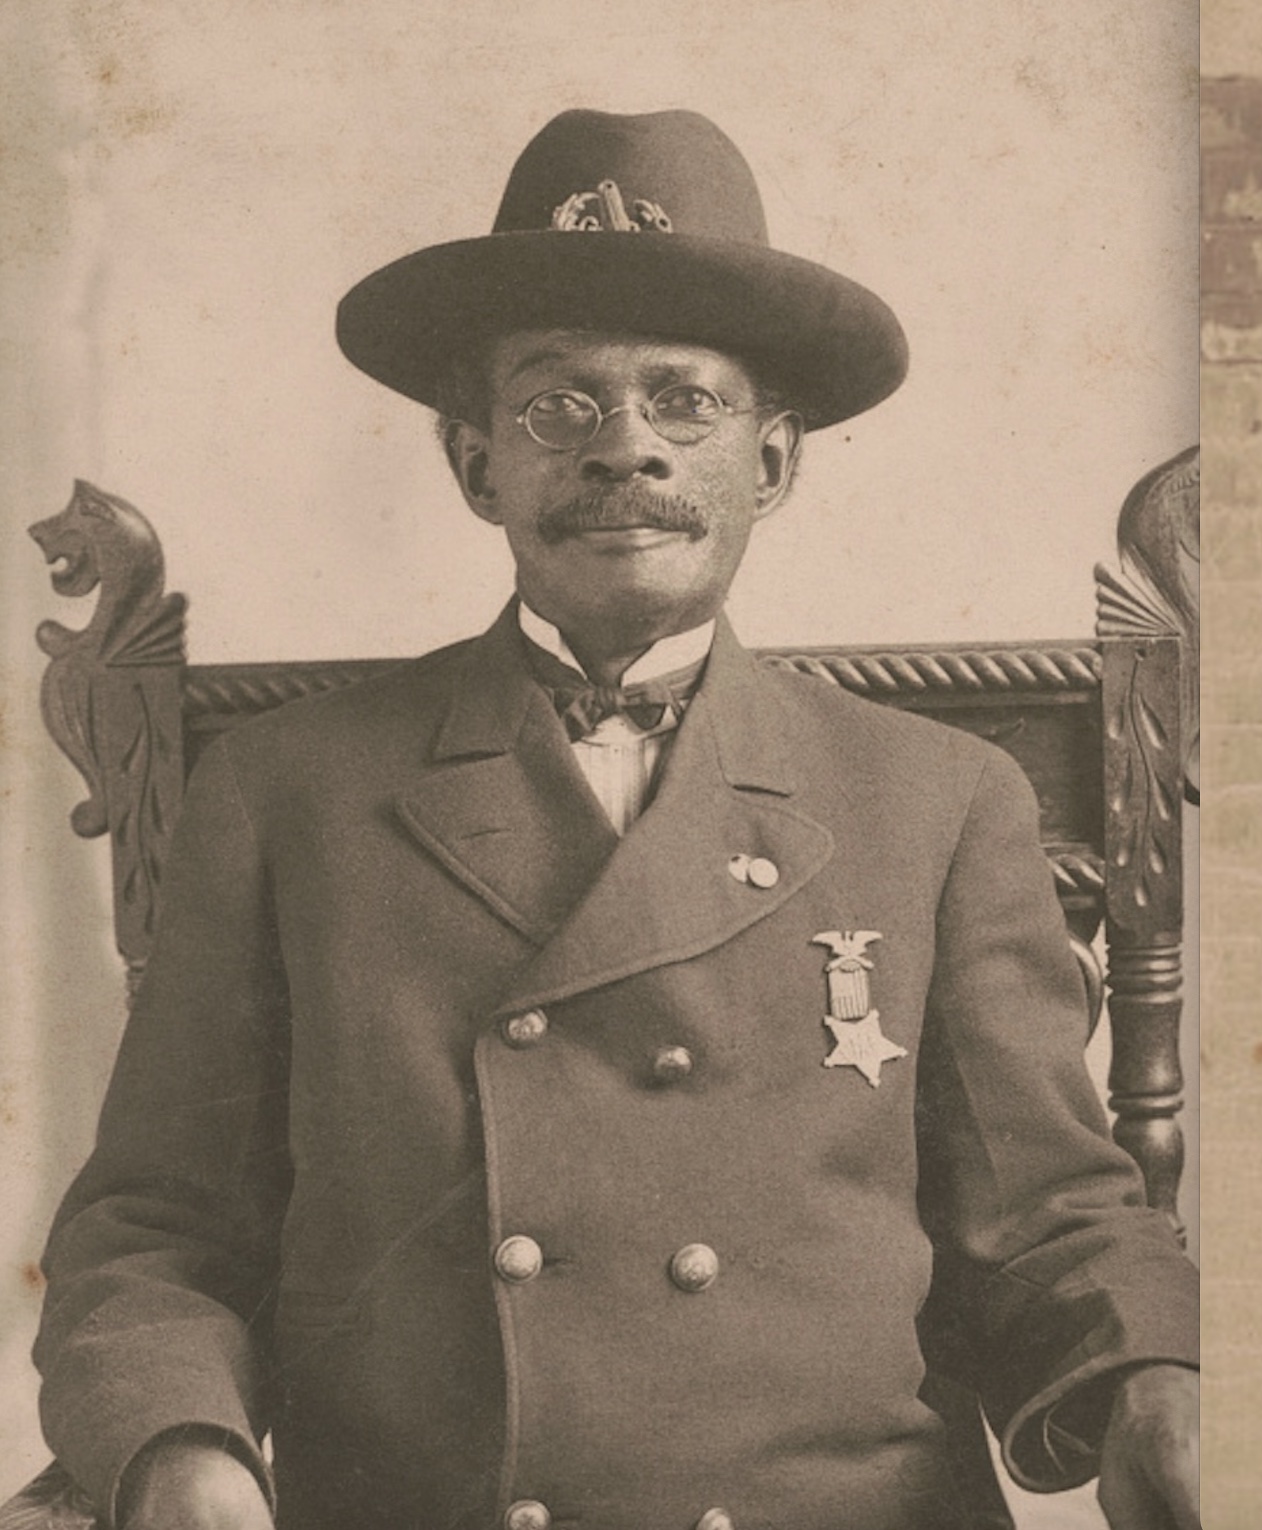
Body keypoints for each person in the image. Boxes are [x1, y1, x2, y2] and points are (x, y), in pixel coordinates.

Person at [32, 108, 1199, 1530]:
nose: (623, 449)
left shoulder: (938, 799)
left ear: (771, 464)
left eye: (683, 402)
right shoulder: (289, 796)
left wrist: (1157, 1384)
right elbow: (152, 1234)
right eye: (556, 405)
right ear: (476, 465)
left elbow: (1054, 1223)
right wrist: (181, 1454)